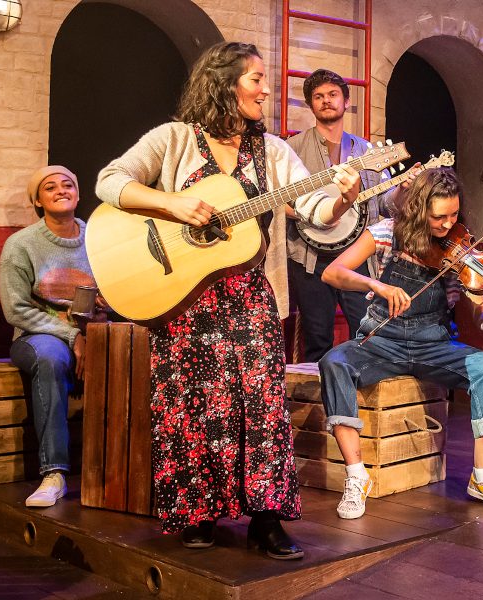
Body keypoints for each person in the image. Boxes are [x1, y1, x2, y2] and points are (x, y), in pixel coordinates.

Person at [95, 42, 363, 558]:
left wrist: (344, 197)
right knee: (193, 411)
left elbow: (314, 210)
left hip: (249, 298)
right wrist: (170, 202)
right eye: (257, 78)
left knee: (262, 409)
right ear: (224, 84)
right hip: (184, 299)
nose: (267, 89)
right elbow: (111, 181)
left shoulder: (274, 152)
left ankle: (266, 521)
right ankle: (200, 515)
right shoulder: (173, 140)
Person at [317, 167, 483, 520]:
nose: (447, 226)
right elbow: (333, 272)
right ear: (418, 208)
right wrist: (378, 286)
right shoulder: (386, 233)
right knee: (334, 362)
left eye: (454, 215)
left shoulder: (462, 252)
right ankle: (357, 477)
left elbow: (482, 320)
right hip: (381, 341)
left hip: (433, 345)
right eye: (438, 217)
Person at [286, 68, 412, 362]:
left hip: (356, 257)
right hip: (309, 257)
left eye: (332, 95)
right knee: (317, 338)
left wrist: (402, 190)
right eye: (318, 97)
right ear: (310, 105)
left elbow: (383, 204)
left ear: (345, 101)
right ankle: (319, 405)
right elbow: (278, 203)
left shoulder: (367, 151)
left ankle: (359, 400)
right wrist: (314, 216)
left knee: (365, 332)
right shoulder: (292, 149)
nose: (326, 101)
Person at [0, 165, 102, 508]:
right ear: (38, 201)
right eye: (50, 187)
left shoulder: (101, 238)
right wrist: (72, 336)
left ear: (78, 194)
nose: (60, 190)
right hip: (38, 334)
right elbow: (16, 311)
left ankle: (126, 470)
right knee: (50, 357)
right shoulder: (21, 245)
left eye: (67, 184)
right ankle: (54, 472)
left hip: (96, 331)